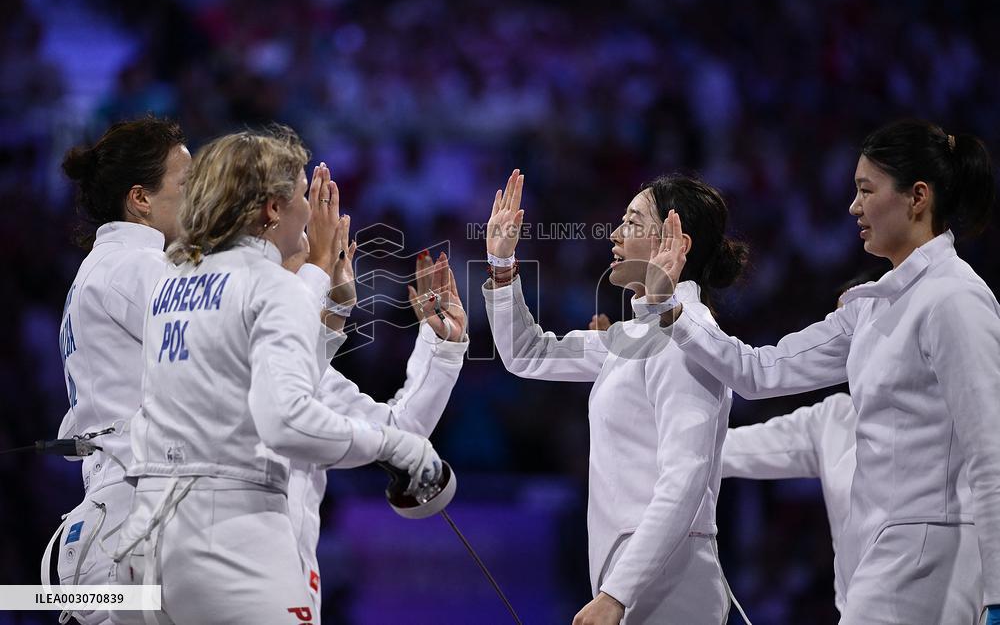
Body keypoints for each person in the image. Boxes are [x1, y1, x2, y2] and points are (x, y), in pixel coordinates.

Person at [650, 119, 998, 624]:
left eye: (866, 190)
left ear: (917, 197)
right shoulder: (873, 306)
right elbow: (758, 372)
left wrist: (997, 592)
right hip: (883, 558)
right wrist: (670, 307)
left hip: (935, 558)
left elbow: (991, 453)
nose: (854, 207)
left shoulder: (955, 299)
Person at [112, 127, 445, 624]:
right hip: (230, 544)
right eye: (303, 196)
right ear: (273, 209)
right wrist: (396, 447)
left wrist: (321, 287)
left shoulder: (170, 283)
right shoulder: (269, 287)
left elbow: (267, 369)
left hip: (144, 546)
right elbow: (286, 420)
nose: (312, 211)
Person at [483, 170, 749, 624]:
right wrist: (502, 264)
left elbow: (684, 479)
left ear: (674, 240)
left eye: (632, 221)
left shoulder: (688, 336)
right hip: (633, 575)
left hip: (670, 583)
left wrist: (616, 595)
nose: (615, 233)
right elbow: (526, 354)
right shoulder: (636, 335)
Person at [284, 172, 469, 616]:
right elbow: (287, 412)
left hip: (215, 572)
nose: (321, 249)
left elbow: (398, 427)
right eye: (307, 237)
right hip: (226, 569)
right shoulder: (231, 320)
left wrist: (440, 346)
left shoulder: (293, 359)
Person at [50, 116, 190, 625]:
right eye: (185, 185)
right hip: (133, 523)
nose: (198, 199)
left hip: (114, 519)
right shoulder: (136, 268)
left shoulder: (103, 266)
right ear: (141, 199)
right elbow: (222, 355)